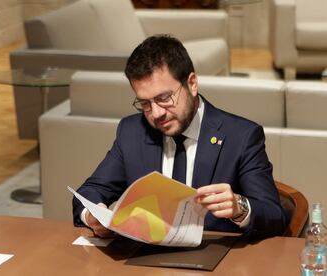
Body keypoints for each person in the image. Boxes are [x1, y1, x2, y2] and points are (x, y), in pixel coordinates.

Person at [72, 34, 287, 239]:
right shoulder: (132, 132)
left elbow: (275, 216)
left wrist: (240, 208)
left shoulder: (241, 136)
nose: (156, 113)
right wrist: (92, 216)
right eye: (145, 103)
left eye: (164, 98)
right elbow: (90, 192)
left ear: (192, 83)